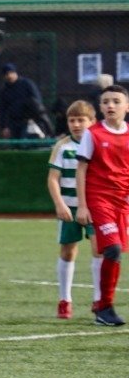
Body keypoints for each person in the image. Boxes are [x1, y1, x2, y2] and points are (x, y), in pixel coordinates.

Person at [71, 84, 129, 327]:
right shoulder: (93, 134)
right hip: (99, 199)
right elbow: (81, 170)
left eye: (116, 101)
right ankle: (104, 306)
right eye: (106, 102)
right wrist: (83, 206)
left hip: (122, 201)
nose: (110, 106)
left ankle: (102, 305)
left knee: (116, 254)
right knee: (112, 249)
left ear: (127, 106)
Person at [47, 101, 101, 321]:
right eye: (72, 120)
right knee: (68, 251)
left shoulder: (98, 144)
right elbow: (52, 179)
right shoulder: (62, 146)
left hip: (95, 206)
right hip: (69, 207)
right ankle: (65, 299)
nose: (77, 124)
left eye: (81, 120)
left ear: (92, 122)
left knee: (99, 250)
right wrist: (59, 204)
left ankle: (99, 300)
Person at [0, 64, 49, 142]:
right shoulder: (5, 91)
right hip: (14, 122)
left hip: (29, 120)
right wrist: (4, 127)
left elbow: (37, 102)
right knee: (16, 145)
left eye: (11, 73)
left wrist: (34, 116)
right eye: (6, 74)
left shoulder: (27, 84)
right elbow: (2, 110)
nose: (9, 76)